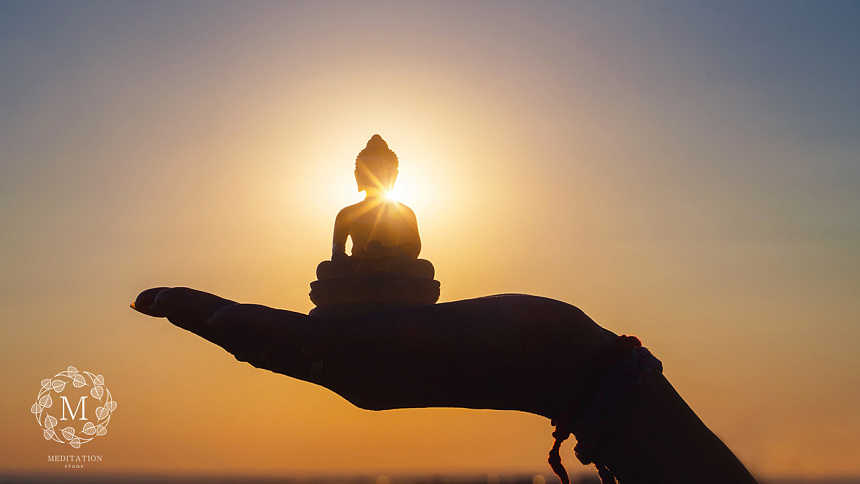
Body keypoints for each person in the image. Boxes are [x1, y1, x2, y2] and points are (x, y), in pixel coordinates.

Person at [131, 287, 759, 484]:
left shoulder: (396, 212)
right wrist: (578, 370)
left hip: (396, 294)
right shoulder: (353, 214)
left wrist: (574, 364)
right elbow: (336, 258)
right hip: (366, 295)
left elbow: (416, 266)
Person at [316, 135, 433, 280]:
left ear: (393, 176)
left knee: (424, 268)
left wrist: (387, 252)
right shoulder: (346, 214)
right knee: (324, 269)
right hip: (358, 268)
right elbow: (337, 253)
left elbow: (413, 249)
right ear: (357, 176)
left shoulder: (404, 212)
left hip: (393, 266)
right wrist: (347, 260)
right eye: (368, 171)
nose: (373, 176)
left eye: (380, 171)